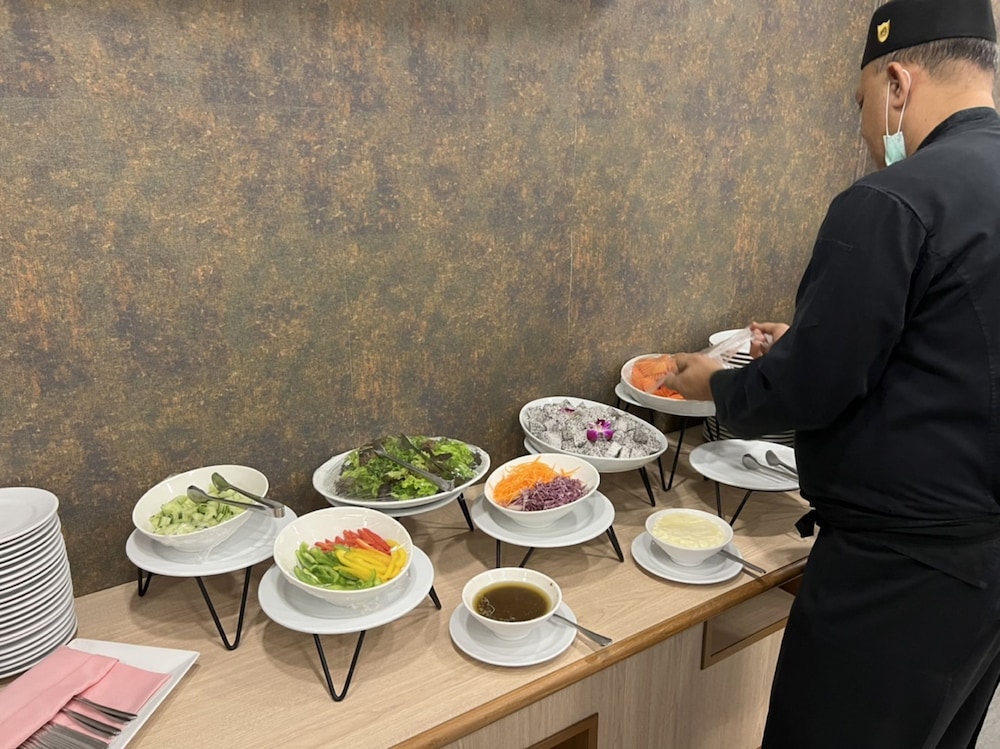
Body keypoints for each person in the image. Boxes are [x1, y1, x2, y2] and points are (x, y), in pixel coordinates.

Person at [661, 1, 1000, 747]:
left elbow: (806, 390)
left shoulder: (893, 200)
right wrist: (815, 341)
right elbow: (960, 351)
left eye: (861, 103)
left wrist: (712, 382)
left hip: (899, 574)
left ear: (898, 84)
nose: (864, 131)